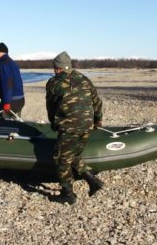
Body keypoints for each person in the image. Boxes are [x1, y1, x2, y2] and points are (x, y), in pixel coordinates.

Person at [46, 51, 104, 204]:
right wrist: (98, 120)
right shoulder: (85, 79)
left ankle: (68, 194)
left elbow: (51, 107)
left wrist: (53, 122)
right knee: (73, 155)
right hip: (87, 125)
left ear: (57, 68)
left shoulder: (54, 83)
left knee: (61, 159)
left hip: (70, 127)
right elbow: (97, 102)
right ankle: (93, 181)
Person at [0, 42, 25, 119]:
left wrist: (7, 102)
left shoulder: (4, 64)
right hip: (20, 99)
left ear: (0, 52)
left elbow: (8, 84)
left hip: (11, 101)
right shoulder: (12, 63)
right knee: (15, 123)